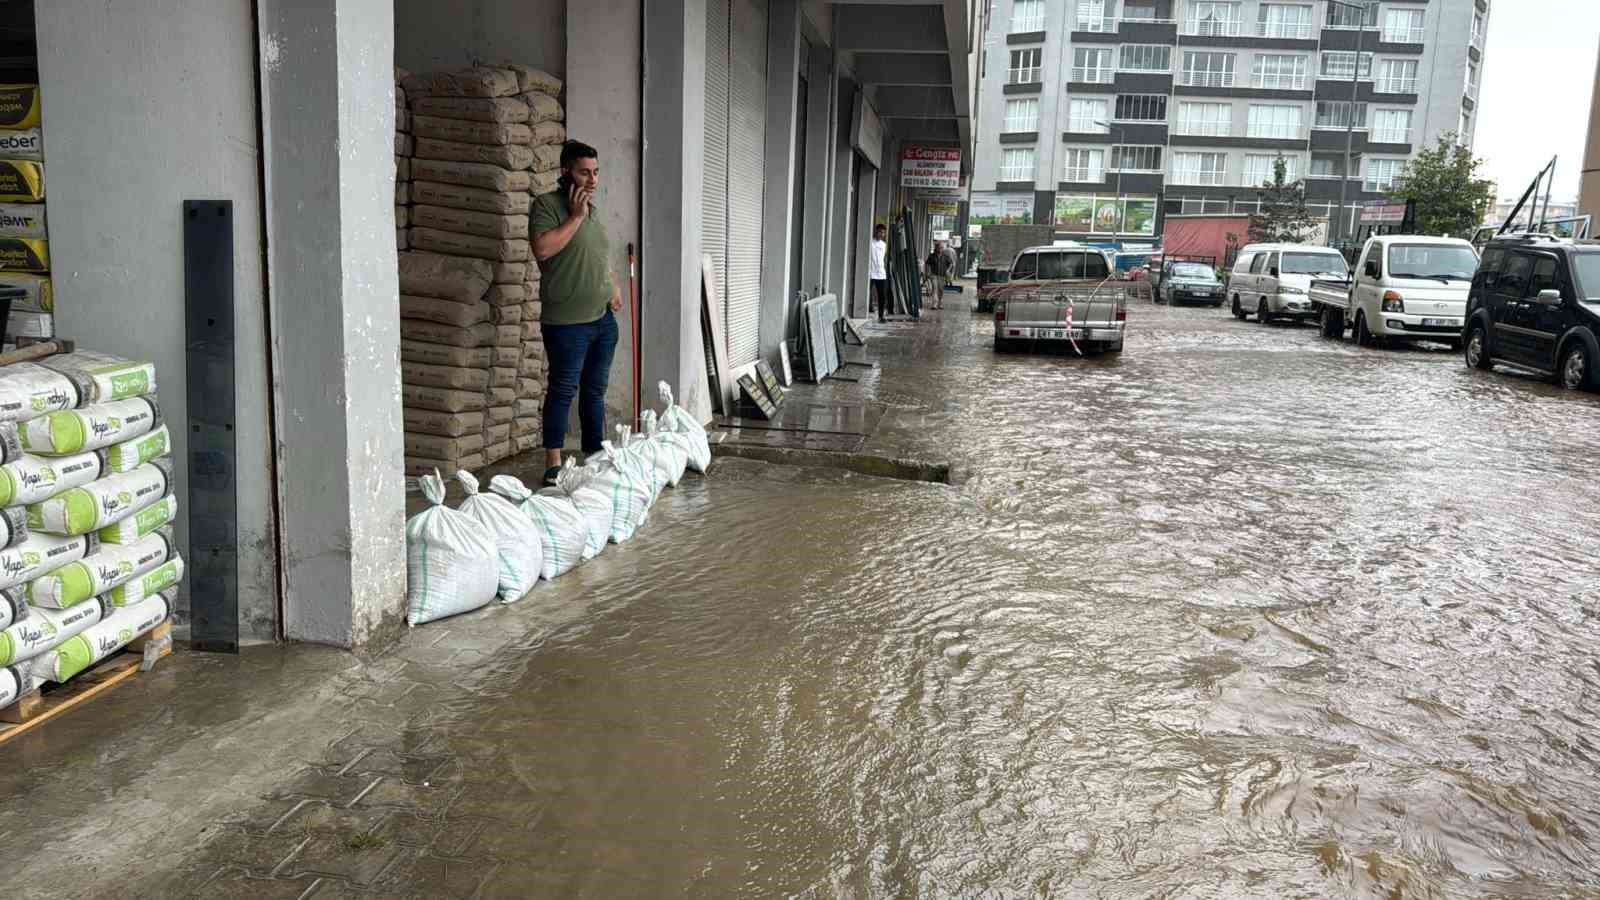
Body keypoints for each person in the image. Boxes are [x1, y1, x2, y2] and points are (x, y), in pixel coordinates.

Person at [530, 140, 623, 486]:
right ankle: (553, 464)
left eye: (596, 172)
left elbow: (597, 257)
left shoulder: (594, 212)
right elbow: (542, 249)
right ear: (566, 172)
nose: (593, 179)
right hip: (568, 324)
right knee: (563, 389)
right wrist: (576, 217)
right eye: (585, 172)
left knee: (595, 392)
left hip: (601, 321)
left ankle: (594, 455)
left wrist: (612, 287)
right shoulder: (547, 206)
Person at [869, 223, 891, 322]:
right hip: (870, 272)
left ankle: (881, 316)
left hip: (881, 273)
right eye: (880, 232)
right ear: (876, 232)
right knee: (867, 293)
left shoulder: (884, 245)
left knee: (882, 295)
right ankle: (868, 309)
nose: (882, 234)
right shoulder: (871, 243)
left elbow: (884, 258)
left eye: (883, 233)